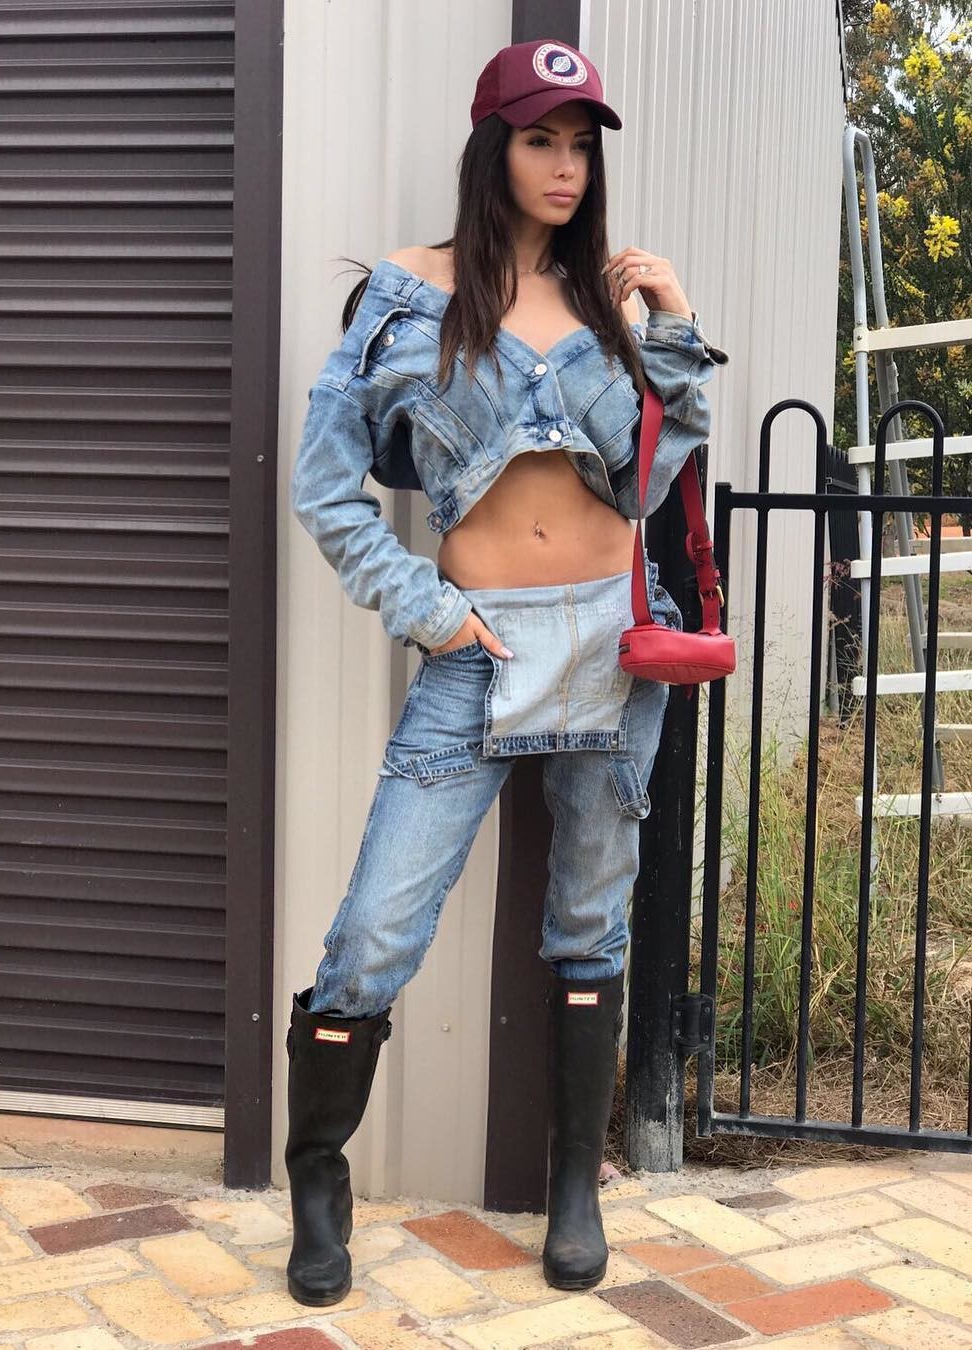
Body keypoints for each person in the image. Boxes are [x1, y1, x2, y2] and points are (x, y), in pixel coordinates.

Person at [284, 37, 729, 1308]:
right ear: (494, 148)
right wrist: (427, 610)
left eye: (581, 145)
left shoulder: (609, 305)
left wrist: (677, 330)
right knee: (375, 931)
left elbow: (647, 482)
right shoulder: (406, 297)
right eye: (541, 139)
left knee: (590, 919)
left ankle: (575, 1188)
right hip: (475, 653)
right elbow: (326, 487)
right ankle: (319, 1175)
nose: (565, 166)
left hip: (608, 647)